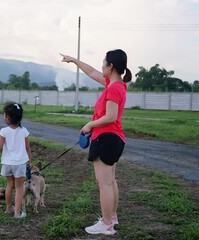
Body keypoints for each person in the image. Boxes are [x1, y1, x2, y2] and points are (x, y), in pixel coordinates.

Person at [60, 49, 131, 235]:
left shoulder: (114, 88)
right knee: (110, 181)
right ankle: (111, 218)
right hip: (113, 138)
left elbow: (111, 116)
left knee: (104, 183)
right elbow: (91, 72)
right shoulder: (115, 84)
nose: (101, 66)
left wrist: (89, 124)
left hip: (106, 137)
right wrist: (75, 60)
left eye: (103, 63)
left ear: (111, 66)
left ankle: (106, 224)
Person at [0, 102, 32, 219]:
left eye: (4, 114)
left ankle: (8, 208)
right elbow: (27, 148)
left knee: (9, 185)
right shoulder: (24, 131)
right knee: (19, 187)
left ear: (8, 117)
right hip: (20, 163)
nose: (3, 117)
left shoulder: (4, 131)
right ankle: (17, 213)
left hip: (7, 163)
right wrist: (30, 160)